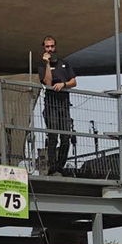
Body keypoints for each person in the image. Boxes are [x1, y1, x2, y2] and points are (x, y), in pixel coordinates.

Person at [38, 35, 77, 174]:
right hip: (51, 104)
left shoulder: (64, 63)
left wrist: (63, 84)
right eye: (47, 46)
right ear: (44, 48)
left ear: (55, 47)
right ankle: (53, 165)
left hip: (64, 104)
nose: (50, 49)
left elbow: (74, 81)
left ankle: (60, 165)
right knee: (53, 136)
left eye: (52, 46)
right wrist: (47, 63)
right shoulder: (42, 66)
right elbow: (48, 82)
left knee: (66, 136)